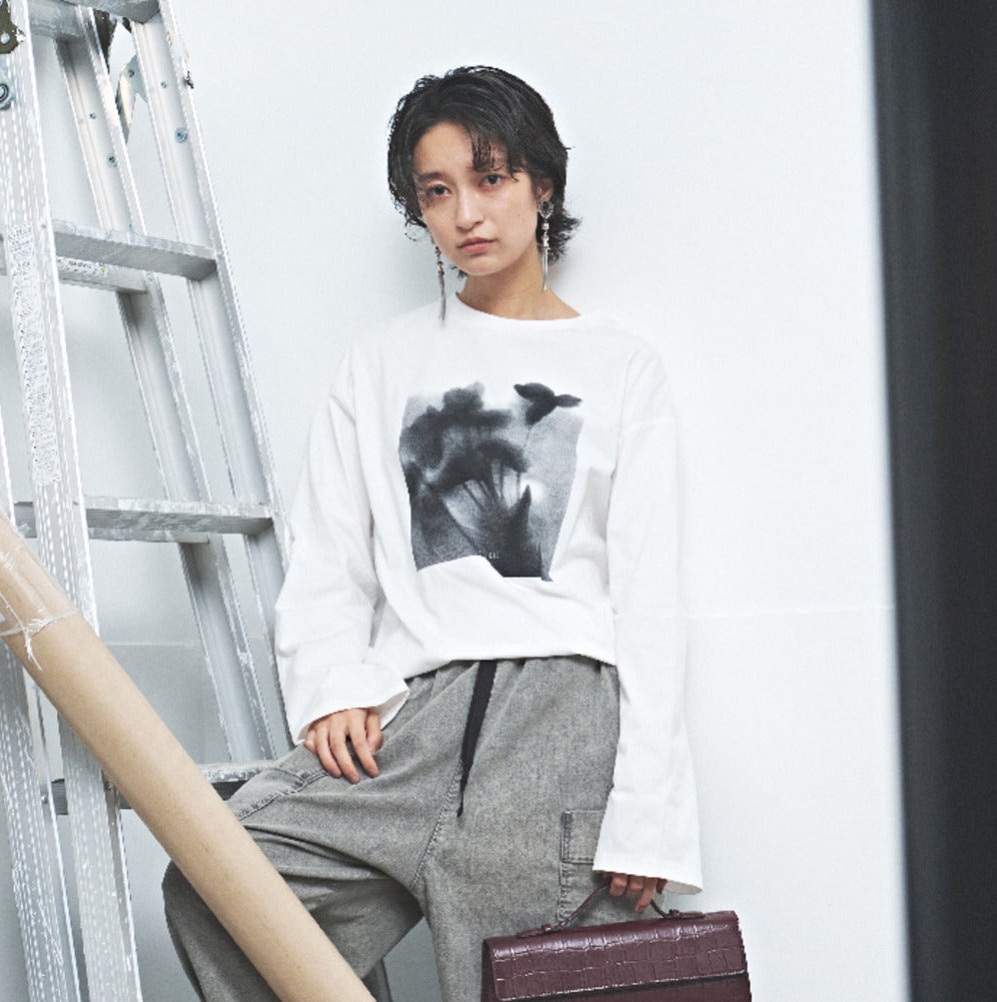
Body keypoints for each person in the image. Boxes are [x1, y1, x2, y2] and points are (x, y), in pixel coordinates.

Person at [162, 65, 702, 1001]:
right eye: (438, 191)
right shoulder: (380, 362)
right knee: (221, 884)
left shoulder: (621, 367)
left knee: (518, 984)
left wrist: (647, 816)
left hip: (555, 722)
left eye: (490, 179)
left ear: (542, 183)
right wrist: (334, 686)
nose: (466, 215)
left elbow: (649, 599)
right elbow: (331, 552)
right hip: (408, 717)